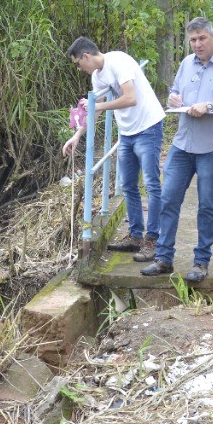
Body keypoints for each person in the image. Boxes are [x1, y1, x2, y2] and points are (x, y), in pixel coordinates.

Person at [140, 17, 213, 283]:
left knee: (207, 204)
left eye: (202, 38)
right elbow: (175, 91)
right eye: (193, 40)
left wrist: (210, 107)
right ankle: (164, 258)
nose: (197, 44)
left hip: (212, 146)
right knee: (168, 199)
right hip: (183, 143)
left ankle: (201, 262)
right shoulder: (186, 63)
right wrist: (174, 98)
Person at [63, 37, 166, 262]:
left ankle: (153, 240)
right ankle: (136, 236)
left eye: (78, 64)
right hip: (127, 132)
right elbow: (95, 111)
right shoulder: (97, 76)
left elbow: (130, 98)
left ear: (86, 56)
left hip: (148, 126)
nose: (79, 69)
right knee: (128, 184)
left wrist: (98, 105)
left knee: (150, 184)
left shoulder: (118, 61)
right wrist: (77, 135)